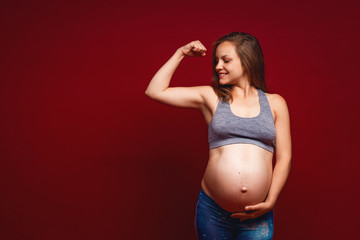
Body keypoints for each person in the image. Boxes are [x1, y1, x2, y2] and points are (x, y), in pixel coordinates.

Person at [145, 32, 292, 240]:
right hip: (213, 211)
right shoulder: (211, 97)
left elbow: (284, 157)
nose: (217, 67)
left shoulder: (276, 103)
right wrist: (180, 53)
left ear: (247, 60)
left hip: (257, 214)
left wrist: (272, 200)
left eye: (226, 60)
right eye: (216, 61)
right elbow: (154, 91)